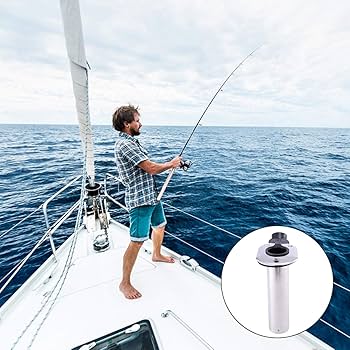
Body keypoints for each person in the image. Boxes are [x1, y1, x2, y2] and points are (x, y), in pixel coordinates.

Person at [112, 105, 182, 299]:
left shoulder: (132, 142)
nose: (140, 123)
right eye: (137, 120)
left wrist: (170, 164)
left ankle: (156, 254)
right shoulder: (125, 145)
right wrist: (171, 163)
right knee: (137, 241)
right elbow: (150, 168)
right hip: (140, 199)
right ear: (127, 124)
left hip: (151, 195)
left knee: (160, 225)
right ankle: (124, 283)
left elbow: (146, 167)